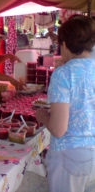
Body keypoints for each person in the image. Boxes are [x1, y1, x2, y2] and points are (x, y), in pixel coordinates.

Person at [36, 15, 95, 192]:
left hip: (70, 157)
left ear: (64, 44)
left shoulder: (63, 74)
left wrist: (43, 117)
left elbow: (58, 129)